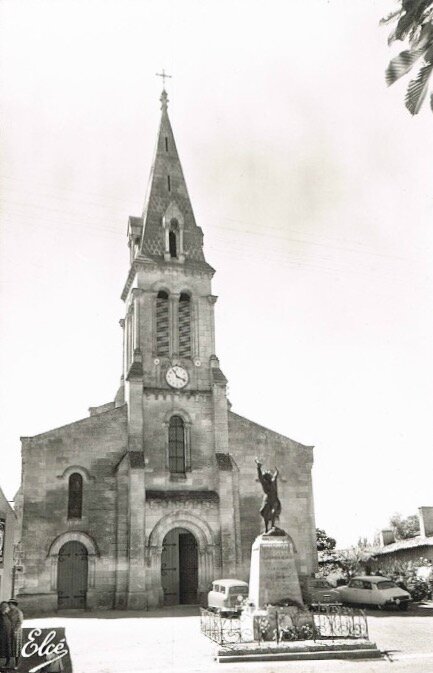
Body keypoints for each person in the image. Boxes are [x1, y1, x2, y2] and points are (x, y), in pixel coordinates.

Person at [255, 458, 282, 533]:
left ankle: (272, 526)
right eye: (267, 477)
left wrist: (277, 471)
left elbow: (276, 476)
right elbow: (260, 477)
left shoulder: (273, 482)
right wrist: (258, 468)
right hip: (267, 500)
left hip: (274, 500)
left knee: (274, 511)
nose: (269, 477)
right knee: (266, 514)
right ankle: (267, 528)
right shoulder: (265, 484)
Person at [8, 600, 23, 670]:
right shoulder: (9, 612)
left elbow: (20, 622)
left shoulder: (18, 612)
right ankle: (8, 662)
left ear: (14, 605)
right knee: (10, 647)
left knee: (16, 648)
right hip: (10, 631)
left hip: (17, 632)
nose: (9, 606)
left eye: (10, 605)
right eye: (9, 605)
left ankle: (16, 664)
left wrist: (15, 631)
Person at [0, 601, 13, 671]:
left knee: (7, 649)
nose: (9, 609)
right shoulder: (1, 615)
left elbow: (10, 624)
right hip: (1, 635)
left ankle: (7, 663)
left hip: (7, 635)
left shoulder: (7, 615)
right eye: (7, 608)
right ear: (4, 608)